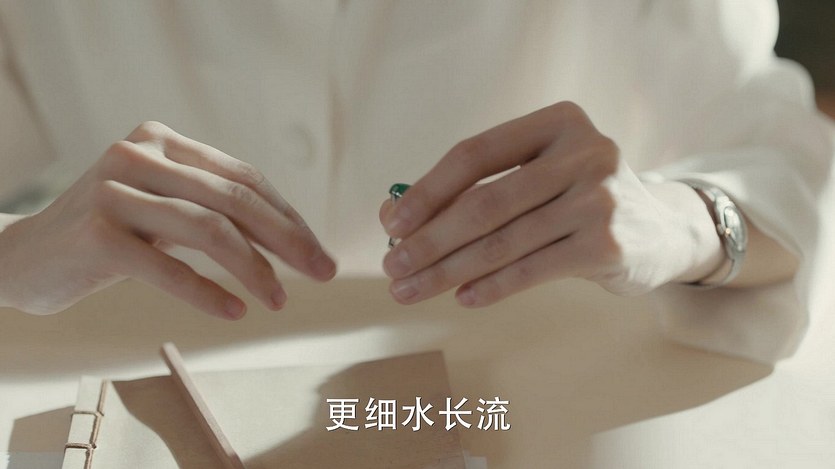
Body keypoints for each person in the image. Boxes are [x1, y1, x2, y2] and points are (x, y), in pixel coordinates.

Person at [0, 1, 832, 362]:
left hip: (536, 404)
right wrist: (13, 254)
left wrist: (684, 220)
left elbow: (780, 153)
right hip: (134, 393)